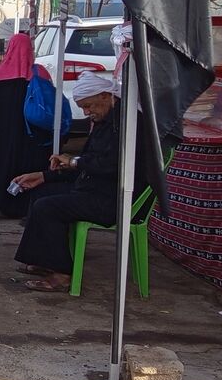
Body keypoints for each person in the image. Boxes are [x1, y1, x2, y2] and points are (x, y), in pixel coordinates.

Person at [13, 72, 146, 292]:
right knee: (40, 193)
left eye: (89, 106)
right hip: (96, 188)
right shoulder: (107, 121)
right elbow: (88, 164)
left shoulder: (127, 124)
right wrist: (44, 176)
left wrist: (74, 162)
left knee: (48, 207)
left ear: (105, 96)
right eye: (83, 108)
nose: (86, 113)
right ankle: (44, 260)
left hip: (115, 198)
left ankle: (62, 273)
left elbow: (109, 165)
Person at [0, 32, 48, 220]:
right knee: (27, 167)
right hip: (30, 133)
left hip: (0, 134)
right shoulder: (39, 73)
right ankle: (23, 207)